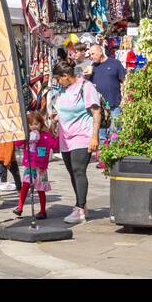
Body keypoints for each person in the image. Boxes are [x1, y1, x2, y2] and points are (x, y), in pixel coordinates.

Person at [51, 60, 103, 225]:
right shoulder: (64, 91)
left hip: (82, 136)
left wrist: (94, 137)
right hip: (65, 138)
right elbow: (63, 110)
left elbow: (96, 112)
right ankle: (82, 204)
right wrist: (55, 119)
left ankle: (80, 209)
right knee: (72, 172)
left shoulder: (85, 87)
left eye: (58, 79)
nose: (58, 82)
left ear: (65, 76)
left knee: (78, 170)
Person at [12, 110, 57, 219]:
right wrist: (22, 134)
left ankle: (42, 211)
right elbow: (17, 143)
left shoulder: (45, 136)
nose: (34, 126)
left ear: (41, 123)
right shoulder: (27, 136)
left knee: (40, 189)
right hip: (30, 166)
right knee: (25, 185)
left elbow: (55, 146)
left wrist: (57, 134)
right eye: (31, 124)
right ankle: (20, 207)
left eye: (36, 124)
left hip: (41, 168)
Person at [88, 41, 127, 144]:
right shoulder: (92, 67)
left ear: (100, 52)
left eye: (93, 54)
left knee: (116, 132)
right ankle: (103, 157)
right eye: (90, 54)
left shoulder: (115, 63)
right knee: (101, 135)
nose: (91, 57)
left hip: (114, 104)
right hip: (99, 107)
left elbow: (124, 81)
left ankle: (115, 155)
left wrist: (126, 97)